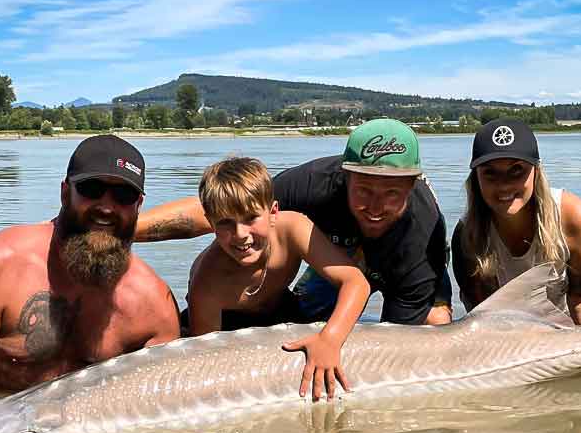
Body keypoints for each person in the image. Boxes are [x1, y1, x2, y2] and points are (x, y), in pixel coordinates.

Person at [0, 135, 181, 416]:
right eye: (91, 188)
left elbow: (158, 408)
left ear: (139, 204)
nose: (106, 207)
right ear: (65, 192)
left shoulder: (155, 306)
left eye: (123, 196)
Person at [135, 118, 452, 327]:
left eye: (391, 193)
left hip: (400, 261)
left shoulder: (423, 236)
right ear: (344, 177)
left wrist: (331, 340)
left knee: (433, 324)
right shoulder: (313, 184)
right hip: (339, 253)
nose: (375, 207)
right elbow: (229, 206)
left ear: (412, 187)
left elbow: (393, 344)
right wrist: (124, 228)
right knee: (308, 317)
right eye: (364, 190)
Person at [451, 118, 581, 372]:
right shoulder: (467, 236)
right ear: (476, 179)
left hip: (570, 325)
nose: (504, 185)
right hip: (510, 333)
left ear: (536, 171)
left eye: (516, 170)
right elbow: (484, 321)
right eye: (490, 173)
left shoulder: (574, 217)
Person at [187, 157, 371, 400]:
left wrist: (330, 339)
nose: (241, 235)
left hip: (282, 307)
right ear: (210, 222)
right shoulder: (206, 283)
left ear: (273, 212)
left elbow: (356, 282)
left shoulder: (292, 228)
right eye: (225, 223)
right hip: (231, 325)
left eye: (251, 218)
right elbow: (208, 361)